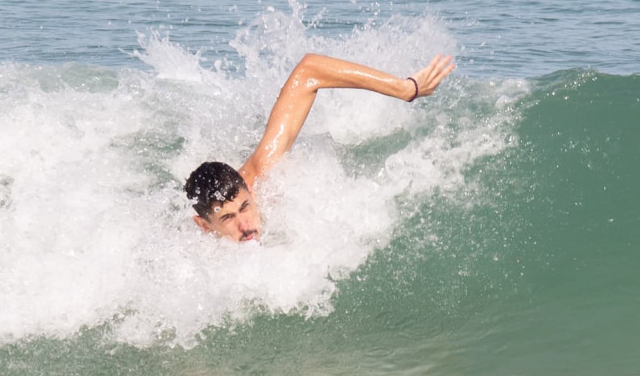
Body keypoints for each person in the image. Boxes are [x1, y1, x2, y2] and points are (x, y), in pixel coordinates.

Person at [184, 52, 456, 242]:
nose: (245, 227)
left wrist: (405, 88)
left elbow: (309, 69)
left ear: (250, 190)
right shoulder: (194, 251)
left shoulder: (264, 172)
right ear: (205, 227)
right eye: (228, 218)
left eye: (245, 207)